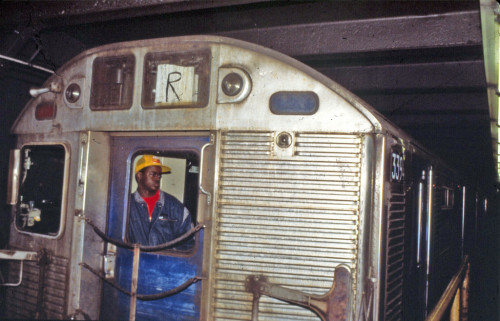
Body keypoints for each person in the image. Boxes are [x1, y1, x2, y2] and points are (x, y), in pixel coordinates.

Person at [127, 155, 194, 249]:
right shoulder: (126, 206)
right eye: (153, 174)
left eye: (159, 175)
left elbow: (189, 243)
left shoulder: (175, 208)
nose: (157, 178)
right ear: (139, 176)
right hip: (134, 262)